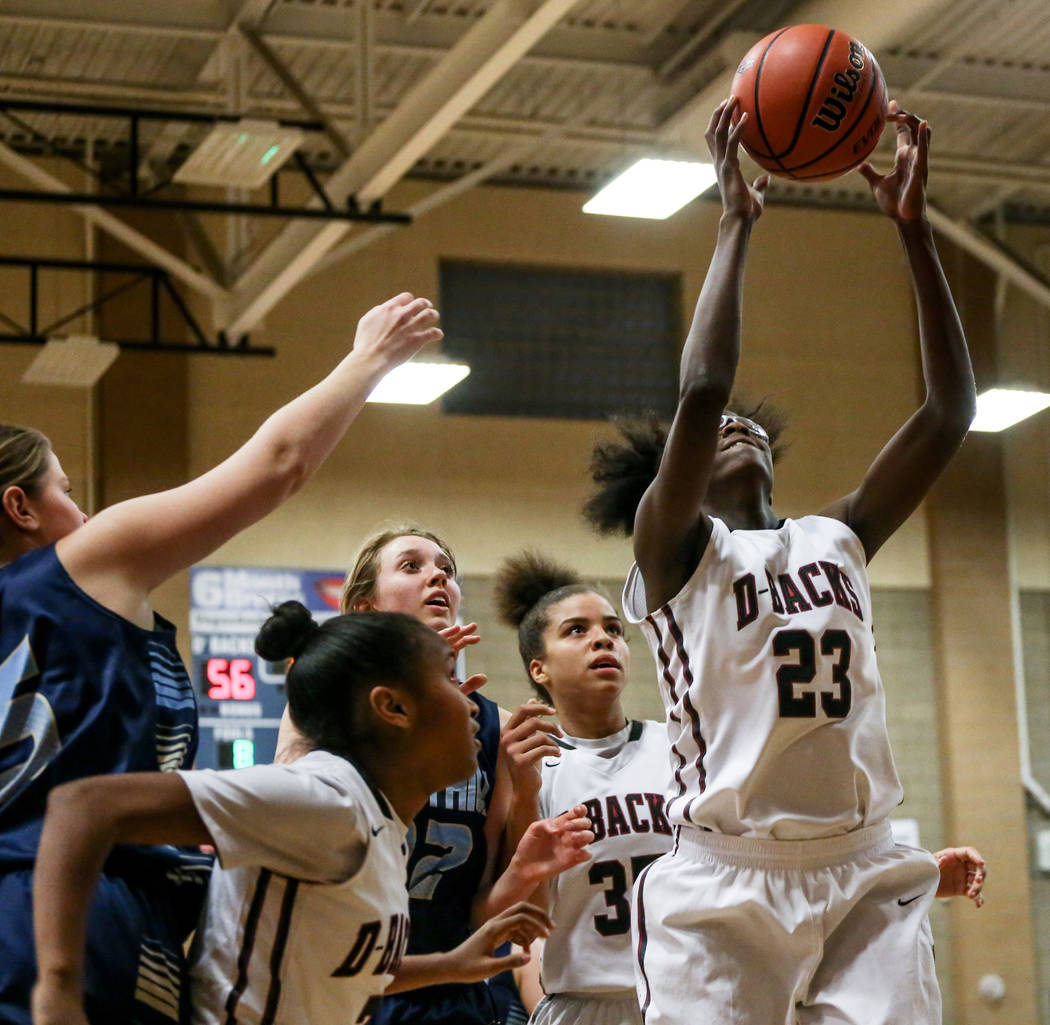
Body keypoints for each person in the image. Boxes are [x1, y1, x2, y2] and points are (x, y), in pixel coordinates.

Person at [583, 97, 978, 1024]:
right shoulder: (675, 551)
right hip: (727, 875)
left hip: (863, 861)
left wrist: (915, 236)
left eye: (750, 426)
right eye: (716, 430)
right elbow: (704, 383)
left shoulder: (835, 534)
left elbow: (950, 412)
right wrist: (732, 222)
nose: (736, 423)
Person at [0, 292, 442, 1025]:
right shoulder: (76, 569)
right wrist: (370, 358)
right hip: (74, 904)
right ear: (20, 508)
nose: (82, 514)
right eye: (67, 493)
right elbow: (278, 464)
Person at [496, 552, 987, 1025]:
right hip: (587, 999)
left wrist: (911, 872)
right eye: (577, 631)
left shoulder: (687, 747)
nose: (602, 641)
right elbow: (515, 915)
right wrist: (520, 794)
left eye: (613, 629)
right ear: (538, 668)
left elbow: (779, 843)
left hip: (700, 986)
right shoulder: (533, 769)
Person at [31, 604, 558, 1025]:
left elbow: (335, 965)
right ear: (392, 708)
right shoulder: (325, 796)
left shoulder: (383, 822)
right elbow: (83, 805)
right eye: (450, 680)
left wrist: (450, 965)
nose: (472, 705)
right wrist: (57, 991)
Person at [275, 526, 581, 1025]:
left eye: (446, 569)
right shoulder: (325, 699)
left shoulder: (494, 724)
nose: (438, 574)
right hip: (349, 981)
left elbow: (486, 917)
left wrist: (527, 797)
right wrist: (404, 685)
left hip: (452, 987)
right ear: (365, 608)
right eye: (411, 566)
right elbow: (292, 837)